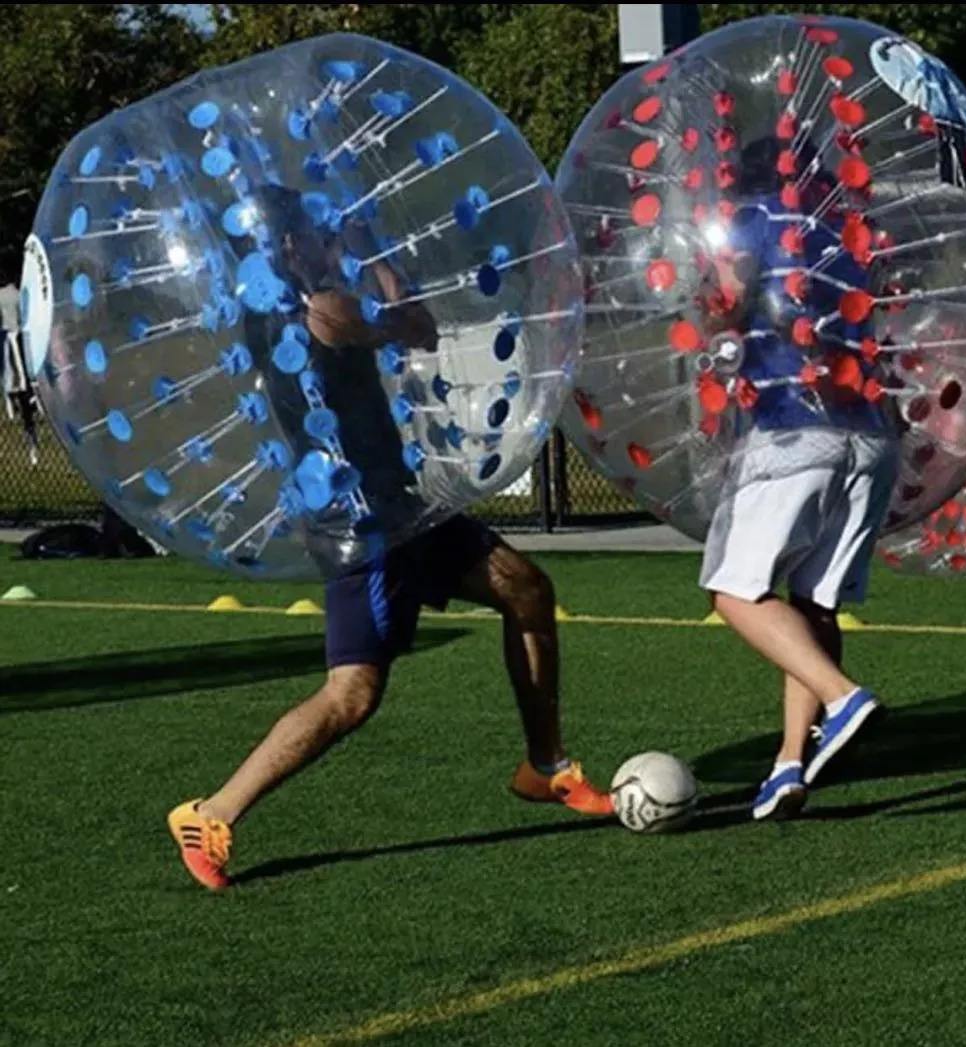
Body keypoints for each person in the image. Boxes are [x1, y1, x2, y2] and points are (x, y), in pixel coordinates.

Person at [168, 190, 611, 892]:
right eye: (316, 233)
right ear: (289, 247)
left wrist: (370, 263)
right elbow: (415, 326)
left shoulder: (303, 305)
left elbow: (412, 326)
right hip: (361, 523)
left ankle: (545, 766)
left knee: (526, 588)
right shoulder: (315, 311)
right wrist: (372, 254)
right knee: (351, 694)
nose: (328, 239)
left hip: (399, 506)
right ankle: (211, 813)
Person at [698, 146, 900, 821]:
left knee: (733, 591)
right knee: (814, 603)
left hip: (793, 430)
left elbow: (729, 300)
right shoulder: (850, 228)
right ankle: (791, 764)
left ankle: (842, 698)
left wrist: (707, 310)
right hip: (871, 435)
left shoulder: (757, 218)